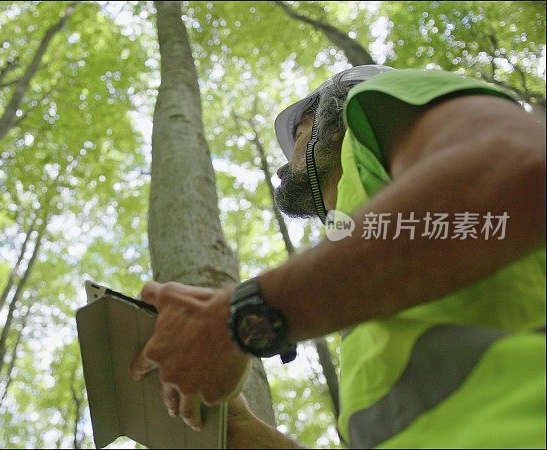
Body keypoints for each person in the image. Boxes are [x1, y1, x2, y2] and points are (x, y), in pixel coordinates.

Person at [129, 65, 546, 448]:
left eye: (293, 138)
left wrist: (245, 316)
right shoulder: (367, 281)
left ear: (323, 122)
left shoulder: (378, 98)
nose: (279, 170)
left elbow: (519, 167)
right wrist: (239, 432)